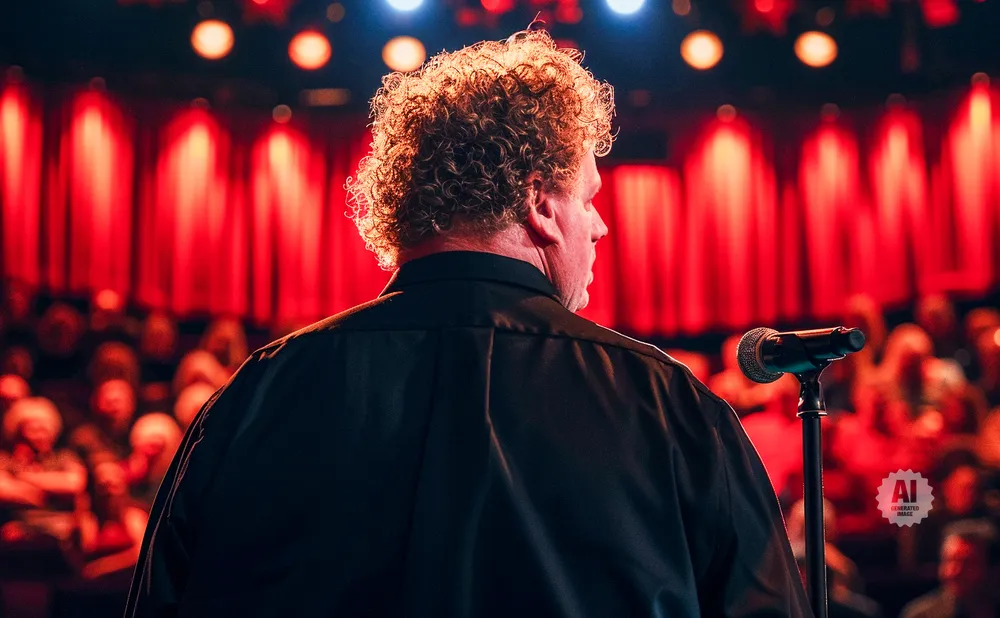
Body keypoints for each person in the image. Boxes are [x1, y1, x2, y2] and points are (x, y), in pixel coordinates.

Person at [127, 27, 810, 617]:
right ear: (540, 201)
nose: (600, 226)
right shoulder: (673, 407)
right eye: (589, 197)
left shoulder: (255, 397)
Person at [898, 519, 1000, 618]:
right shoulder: (921, 615)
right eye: (948, 561)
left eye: (967, 563)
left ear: (993, 569)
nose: (953, 572)